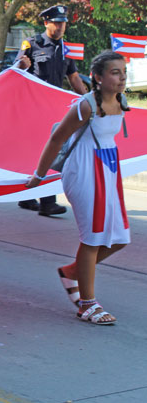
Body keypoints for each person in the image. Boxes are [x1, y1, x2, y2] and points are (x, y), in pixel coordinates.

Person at [26, 50, 130, 325]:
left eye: (123, 72)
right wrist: (38, 176)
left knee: (120, 237)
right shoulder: (86, 105)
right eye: (115, 73)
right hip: (83, 170)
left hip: (108, 168)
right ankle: (87, 304)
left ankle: (73, 271)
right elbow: (57, 139)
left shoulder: (121, 100)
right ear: (97, 77)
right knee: (93, 237)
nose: (121, 78)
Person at [17, 5, 88, 217]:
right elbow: (16, 70)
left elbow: (73, 77)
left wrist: (88, 99)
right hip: (34, 108)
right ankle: (47, 202)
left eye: (62, 23)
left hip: (54, 109)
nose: (60, 27)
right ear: (46, 23)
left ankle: (27, 196)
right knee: (47, 150)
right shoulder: (32, 44)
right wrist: (22, 65)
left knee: (46, 149)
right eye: (56, 23)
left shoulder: (65, 48)